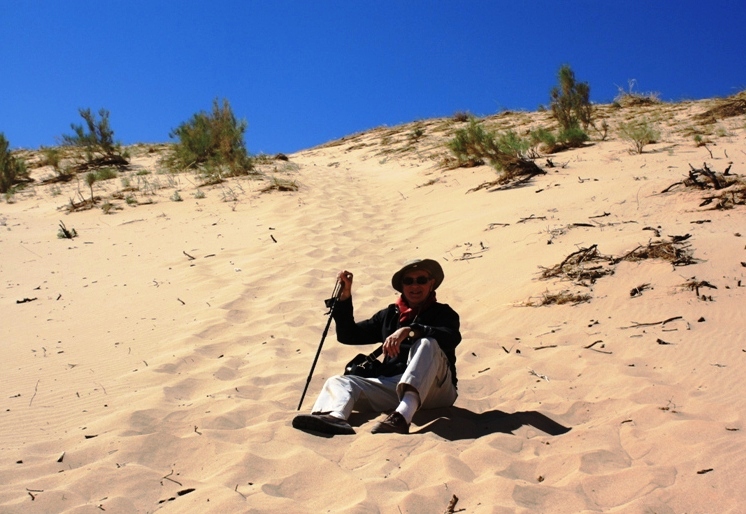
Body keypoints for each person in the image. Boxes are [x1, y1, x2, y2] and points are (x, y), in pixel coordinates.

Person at [293, 258, 461, 435]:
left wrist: (410, 331)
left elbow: (451, 338)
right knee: (338, 381)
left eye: (421, 280)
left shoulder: (444, 313)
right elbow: (348, 335)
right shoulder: (389, 315)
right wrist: (344, 298)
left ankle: (402, 418)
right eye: (408, 281)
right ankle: (335, 417)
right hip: (395, 387)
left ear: (431, 283)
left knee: (427, 343)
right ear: (402, 286)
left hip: (438, 390)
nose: (415, 286)